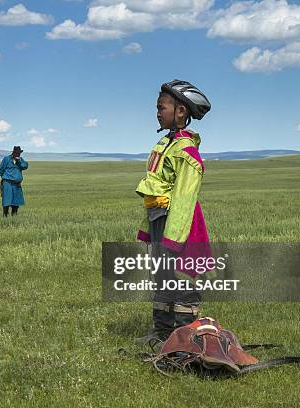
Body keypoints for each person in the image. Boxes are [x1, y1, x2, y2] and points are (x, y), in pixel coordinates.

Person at [134, 79, 213, 350]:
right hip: (159, 220)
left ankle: (185, 340)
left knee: (180, 277)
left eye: (162, 107)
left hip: (179, 226)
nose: (157, 112)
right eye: (157, 107)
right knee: (161, 275)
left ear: (181, 111)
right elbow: (152, 188)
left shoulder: (186, 151)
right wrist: (148, 228)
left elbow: (183, 198)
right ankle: (162, 333)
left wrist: (173, 240)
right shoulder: (163, 144)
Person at [0, 146, 28, 216]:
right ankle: (5, 216)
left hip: (17, 184)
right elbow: (0, 169)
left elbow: (25, 166)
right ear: (13, 153)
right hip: (7, 183)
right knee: (7, 201)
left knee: (16, 202)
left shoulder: (21, 160)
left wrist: (19, 161)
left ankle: (14, 216)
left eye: (19, 153)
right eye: (17, 153)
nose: (18, 154)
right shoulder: (6, 159)